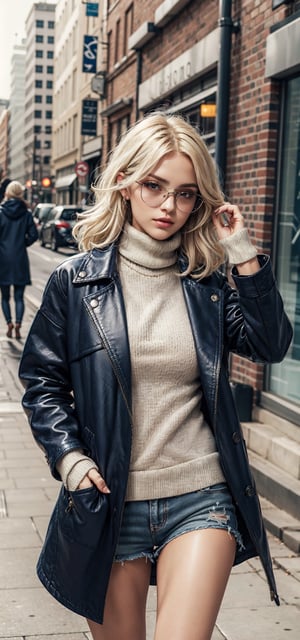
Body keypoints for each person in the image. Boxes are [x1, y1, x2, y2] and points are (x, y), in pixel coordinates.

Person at [19, 112, 292, 640]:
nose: (169, 205)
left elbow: (269, 343)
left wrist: (242, 255)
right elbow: (42, 383)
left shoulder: (204, 284)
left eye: (186, 193)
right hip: (109, 502)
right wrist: (70, 460)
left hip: (201, 495)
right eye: (154, 186)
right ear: (125, 183)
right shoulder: (74, 284)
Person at [0, 180, 38, 339]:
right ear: (21, 194)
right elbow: (34, 235)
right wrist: (23, 243)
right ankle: (18, 324)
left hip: (2, 259)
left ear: (7, 193)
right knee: (19, 297)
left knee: (5, 297)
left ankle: (8, 322)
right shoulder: (27, 213)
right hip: (20, 258)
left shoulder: (1, 212)